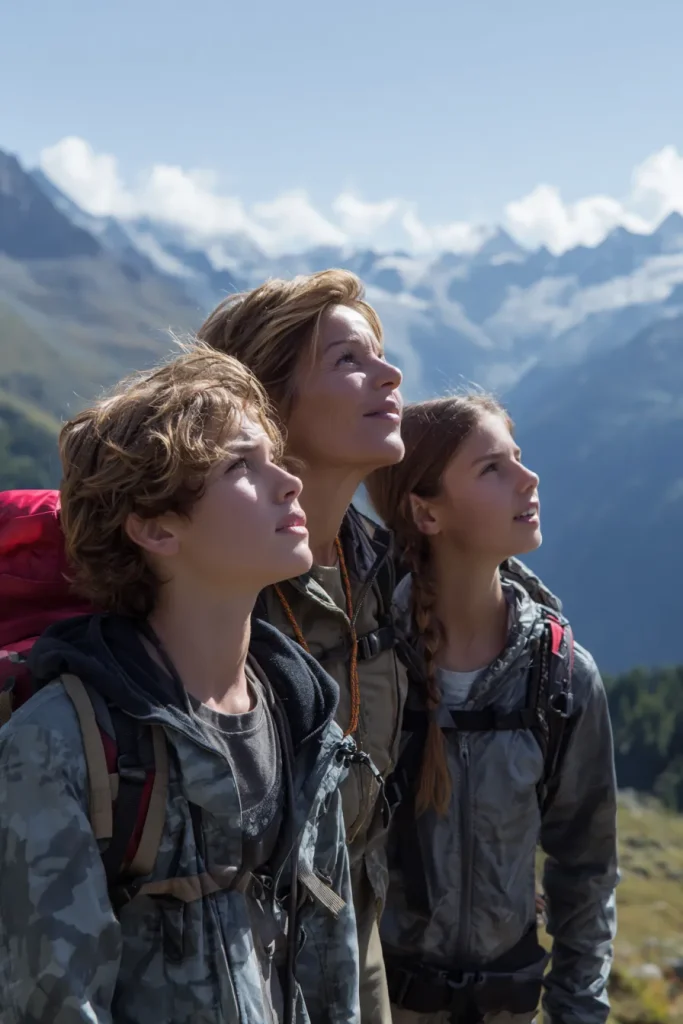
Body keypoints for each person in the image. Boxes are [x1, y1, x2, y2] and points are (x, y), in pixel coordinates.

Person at [0, 346, 360, 1024]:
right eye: (241, 466)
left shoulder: (304, 717)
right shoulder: (60, 745)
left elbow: (329, 969)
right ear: (154, 526)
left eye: (275, 459)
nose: (289, 483)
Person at [365, 394, 619, 1024]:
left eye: (519, 459)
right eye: (492, 469)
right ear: (426, 512)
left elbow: (585, 870)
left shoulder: (559, 679)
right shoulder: (369, 669)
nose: (529, 479)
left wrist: (577, 1012)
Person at [198, 270, 407, 1024]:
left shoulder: (387, 576)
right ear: (268, 400)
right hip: (241, 973)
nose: (390, 374)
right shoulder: (211, 584)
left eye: (380, 354)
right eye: (350, 360)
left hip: (359, 953)